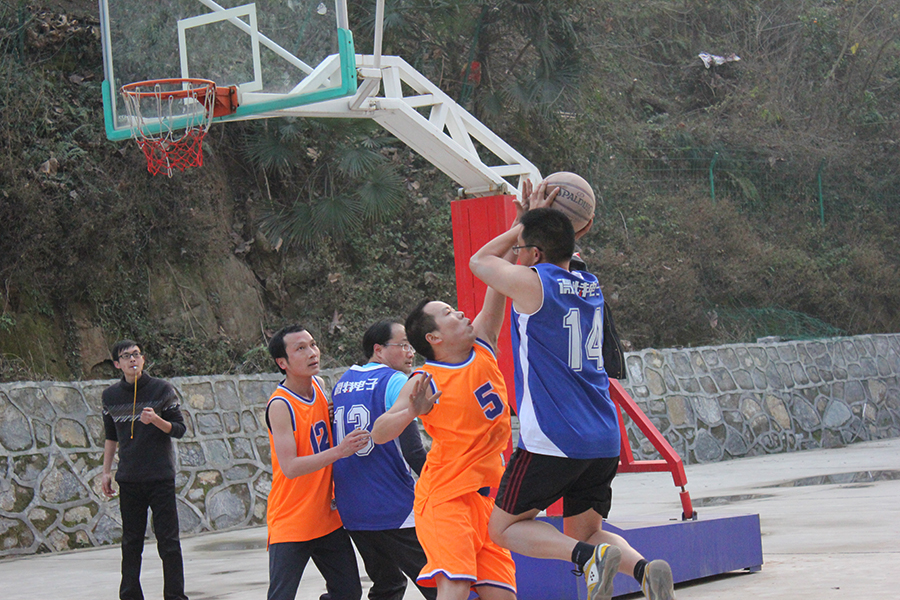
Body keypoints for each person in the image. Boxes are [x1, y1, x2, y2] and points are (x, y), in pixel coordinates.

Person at [469, 180, 676, 600]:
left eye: (524, 247)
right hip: (603, 437)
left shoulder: (533, 285)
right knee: (588, 530)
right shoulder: (590, 284)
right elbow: (552, 248)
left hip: (555, 438)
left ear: (534, 253)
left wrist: (523, 221)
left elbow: (480, 260)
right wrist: (543, 226)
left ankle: (587, 559)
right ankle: (644, 569)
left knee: (503, 528)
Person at [370, 284, 517, 600]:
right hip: (445, 497)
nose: (460, 313)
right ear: (434, 338)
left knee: (502, 595)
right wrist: (412, 410)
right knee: (455, 587)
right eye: (448, 312)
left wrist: (515, 251)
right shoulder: (425, 380)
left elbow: (497, 284)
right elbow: (379, 432)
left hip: (484, 498)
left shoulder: (483, 345)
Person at [331, 320, 436, 600]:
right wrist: (442, 484)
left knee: (388, 584)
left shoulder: (342, 384)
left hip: (353, 509)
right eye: (403, 345)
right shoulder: (395, 381)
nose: (410, 352)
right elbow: (412, 450)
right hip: (392, 505)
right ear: (378, 349)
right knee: (440, 582)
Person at [264, 325, 370, 600]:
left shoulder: (319, 387)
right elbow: (290, 467)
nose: (312, 353)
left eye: (313, 344)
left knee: (348, 592)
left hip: (326, 517)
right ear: (282, 362)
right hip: (292, 519)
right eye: (300, 348)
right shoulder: (280, 405)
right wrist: (340, 451)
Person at [101, 340, 189, 600]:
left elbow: (179, 429)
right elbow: (110, 437)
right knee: (131, 543)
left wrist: (156, 420)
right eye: (126, 356)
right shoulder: (110, 396)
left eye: (136, 354)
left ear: (143, 359)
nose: (132, 359)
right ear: (117, 364)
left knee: (168, 542)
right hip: (129, 478)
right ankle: (129, 595)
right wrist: (106, 472)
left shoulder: (162, 389)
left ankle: (175, 596)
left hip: (160, 477)